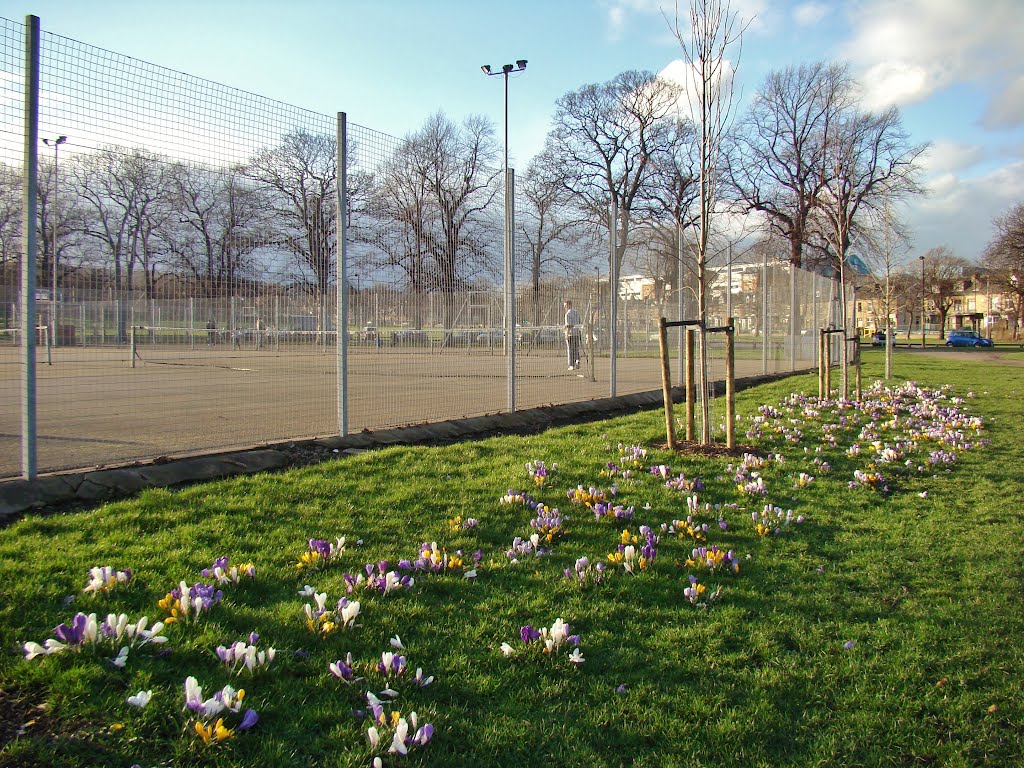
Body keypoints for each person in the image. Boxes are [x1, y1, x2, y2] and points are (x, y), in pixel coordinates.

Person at [564, 300, 581, 370]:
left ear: (568, 305)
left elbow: (568, 325)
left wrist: (567, 335)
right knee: (576, 349)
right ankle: (577, 360)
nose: (564, 307)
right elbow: (579, 322)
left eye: (565, 306)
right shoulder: (576, 312)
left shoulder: (567, 314)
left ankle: (571, 365)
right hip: (577, 333)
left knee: (570, 349)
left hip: (571, 334)